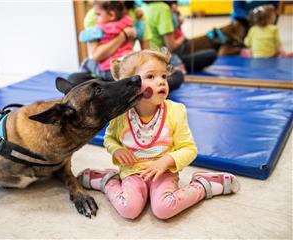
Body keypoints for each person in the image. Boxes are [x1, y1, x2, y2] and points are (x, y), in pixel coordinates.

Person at [77, 49, 240, 220]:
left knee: (163, 209)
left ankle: (204, 185)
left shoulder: (175, 112)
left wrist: (165, 161)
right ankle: (108, 181)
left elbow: (189, 149)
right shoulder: (120, 115)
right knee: (129, 210)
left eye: (163, 76)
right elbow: (109, 139)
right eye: (151, 77)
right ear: (131, 84)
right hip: (132, 173)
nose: (161, 82)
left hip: (163, 174)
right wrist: (117, 150)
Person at [142, 1, 217, 73]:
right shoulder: (163, 8)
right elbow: (171, 46)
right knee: (211, 54)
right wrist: (183, 37)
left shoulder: (144, 7)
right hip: (167, 55)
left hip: (157, 55)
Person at [79, 1, 135, 81]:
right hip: (126, 68)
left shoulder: (100, 29)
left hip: (108, 71)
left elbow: (82, 37)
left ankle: (88, 83)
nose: (96, 18)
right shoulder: (127, 22)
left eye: (98, 15)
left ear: (112, 15)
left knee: (87, 63)